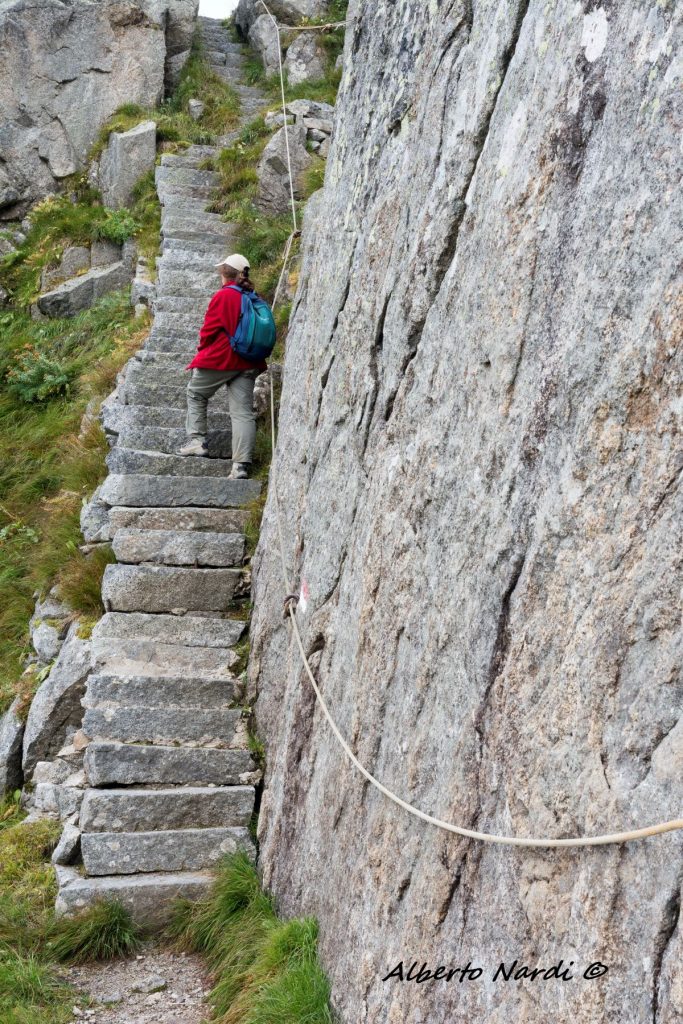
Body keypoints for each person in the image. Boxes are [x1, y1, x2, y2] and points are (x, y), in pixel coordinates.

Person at [177, 253, 268, 479]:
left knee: (196, 392)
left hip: (222, 358)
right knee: (242, 413)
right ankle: (240, 466)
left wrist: (203, 352)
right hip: (249, 362)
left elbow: (208, 330)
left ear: (224, 274)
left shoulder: (224, 296)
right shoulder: (255, 297)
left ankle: (197, 440)